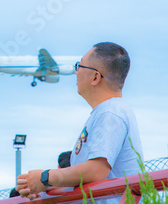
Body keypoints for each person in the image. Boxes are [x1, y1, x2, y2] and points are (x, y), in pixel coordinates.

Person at [16, 42, 143, 204]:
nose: (76, 72)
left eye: (80, 65)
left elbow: (96, 171)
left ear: (95, 77)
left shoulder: (110, 112)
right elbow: (89, 180)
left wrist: (45, 177)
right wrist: (47, 187)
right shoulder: (107, 111)